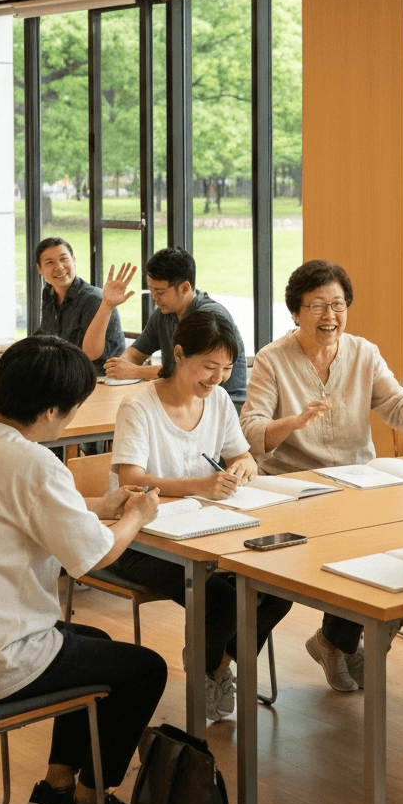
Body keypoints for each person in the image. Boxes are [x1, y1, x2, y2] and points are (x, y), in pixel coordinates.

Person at [0, 336, 167, 804]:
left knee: (94, 644)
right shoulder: (34, 463)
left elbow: (12, 508)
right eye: (71, 411)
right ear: (51, 411)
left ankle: (56, 789)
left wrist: (97, 506)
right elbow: (95, 556)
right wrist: (136, 515)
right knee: (145, 669)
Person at [240, 258, 403, 692]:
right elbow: (250, 429)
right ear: (296, 312)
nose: (330, 316)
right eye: (317, 306)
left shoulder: (363, 353)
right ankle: (338, 643)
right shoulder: (271, 360)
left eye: (338, 305)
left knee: (395, 552)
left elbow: (397, 407)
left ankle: (335, 641)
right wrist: (293, 423)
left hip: (358, 486)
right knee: (334, 555)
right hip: (293, 491)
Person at [106, 309, 291, 723]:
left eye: (226, 369)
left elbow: (241, 453)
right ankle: (211, 668)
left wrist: (244, 466)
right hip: (140, 537)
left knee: (281, 584)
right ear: (178, 354)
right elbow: (132, 478)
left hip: (205, 531)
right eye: (209, 367)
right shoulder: (139, 405)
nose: (217, 379)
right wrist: (202, 486)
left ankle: (215, 663)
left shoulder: (220, 400)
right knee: (221, 599)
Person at [104, 246, 247, 408]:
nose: (154, 298)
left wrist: (135, 371)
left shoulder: (210, 317)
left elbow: (189, 371)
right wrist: (119, 368)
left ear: (185, 288)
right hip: (184, 401)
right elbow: (135, 353)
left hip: (224, 403)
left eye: (160, 291)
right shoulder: (164, 314)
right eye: (151, 290)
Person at [34, 237, 129, 374]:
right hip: (64, 372)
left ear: (73, 260)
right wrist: (14, 348)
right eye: (50, 262)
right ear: (40, 269)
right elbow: (46, 334)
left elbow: (90, 355)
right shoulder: (49, 292)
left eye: (64, 259)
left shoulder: (94, 299)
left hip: (98, 377)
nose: (59, 267)